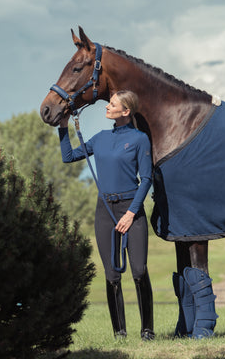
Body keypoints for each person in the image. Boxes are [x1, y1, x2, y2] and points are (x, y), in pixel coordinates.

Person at [58, 90, 154, 340]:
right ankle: (119, 332)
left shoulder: (139, 139)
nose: (106, 107)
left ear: (126, 111)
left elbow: (146, 179)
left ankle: (147, 330)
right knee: (112, 275)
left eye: (112, 104)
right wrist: (63, 127)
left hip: (131, 209)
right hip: (105, 210)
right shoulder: (99, 138)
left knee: (139, 270)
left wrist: (132, 212)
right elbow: (68, 157)